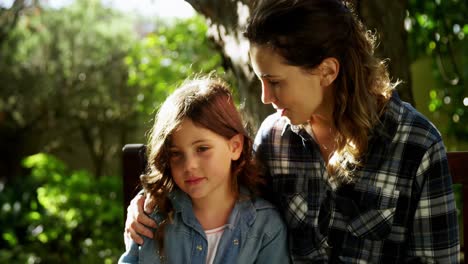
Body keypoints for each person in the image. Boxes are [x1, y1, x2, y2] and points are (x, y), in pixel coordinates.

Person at [124, 0, 460, 263]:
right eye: (260, 80)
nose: (264, 97)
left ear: (327, 71)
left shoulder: (416, 145)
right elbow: (218, 192)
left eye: (275, 82)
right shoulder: (275, 139)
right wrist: (145, 203)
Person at [119, 76, 290, 264]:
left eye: (202, 149)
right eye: (176, 154)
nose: (189, 165)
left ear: (235, 147)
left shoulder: (266, 226)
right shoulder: (151, 217)